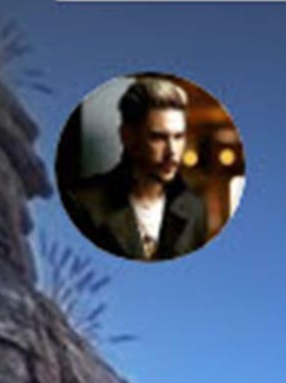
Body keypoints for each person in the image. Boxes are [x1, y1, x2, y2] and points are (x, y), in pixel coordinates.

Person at [62, 77, 212, 261]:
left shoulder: (195, 209)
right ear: (128, 137)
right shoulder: (84, 204)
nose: (172, 151)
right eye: (158, 137)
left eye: (179, 137)